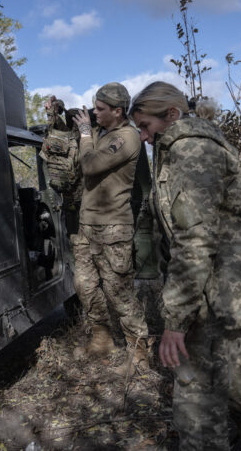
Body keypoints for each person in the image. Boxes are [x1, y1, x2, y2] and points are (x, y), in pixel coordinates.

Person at [129, 81, 241, 450]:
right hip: (229, 298)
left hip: (211, 306)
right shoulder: (189, 146)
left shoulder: (191, 151)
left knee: (198, 417)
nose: (144, 137)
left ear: (170, 115)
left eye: (146, 127)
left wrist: (176, 322)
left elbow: (194, 241)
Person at [70, 82, 150, 373]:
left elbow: (90, 165)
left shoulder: (127, 137)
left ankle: (139, 356)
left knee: (120, 295)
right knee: (85, 287)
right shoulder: (105, 134)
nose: (94, 113)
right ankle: (102, 340)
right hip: (87, 226)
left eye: (100, 109)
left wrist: (85, 133)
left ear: (118, 111)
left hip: (113, 230)